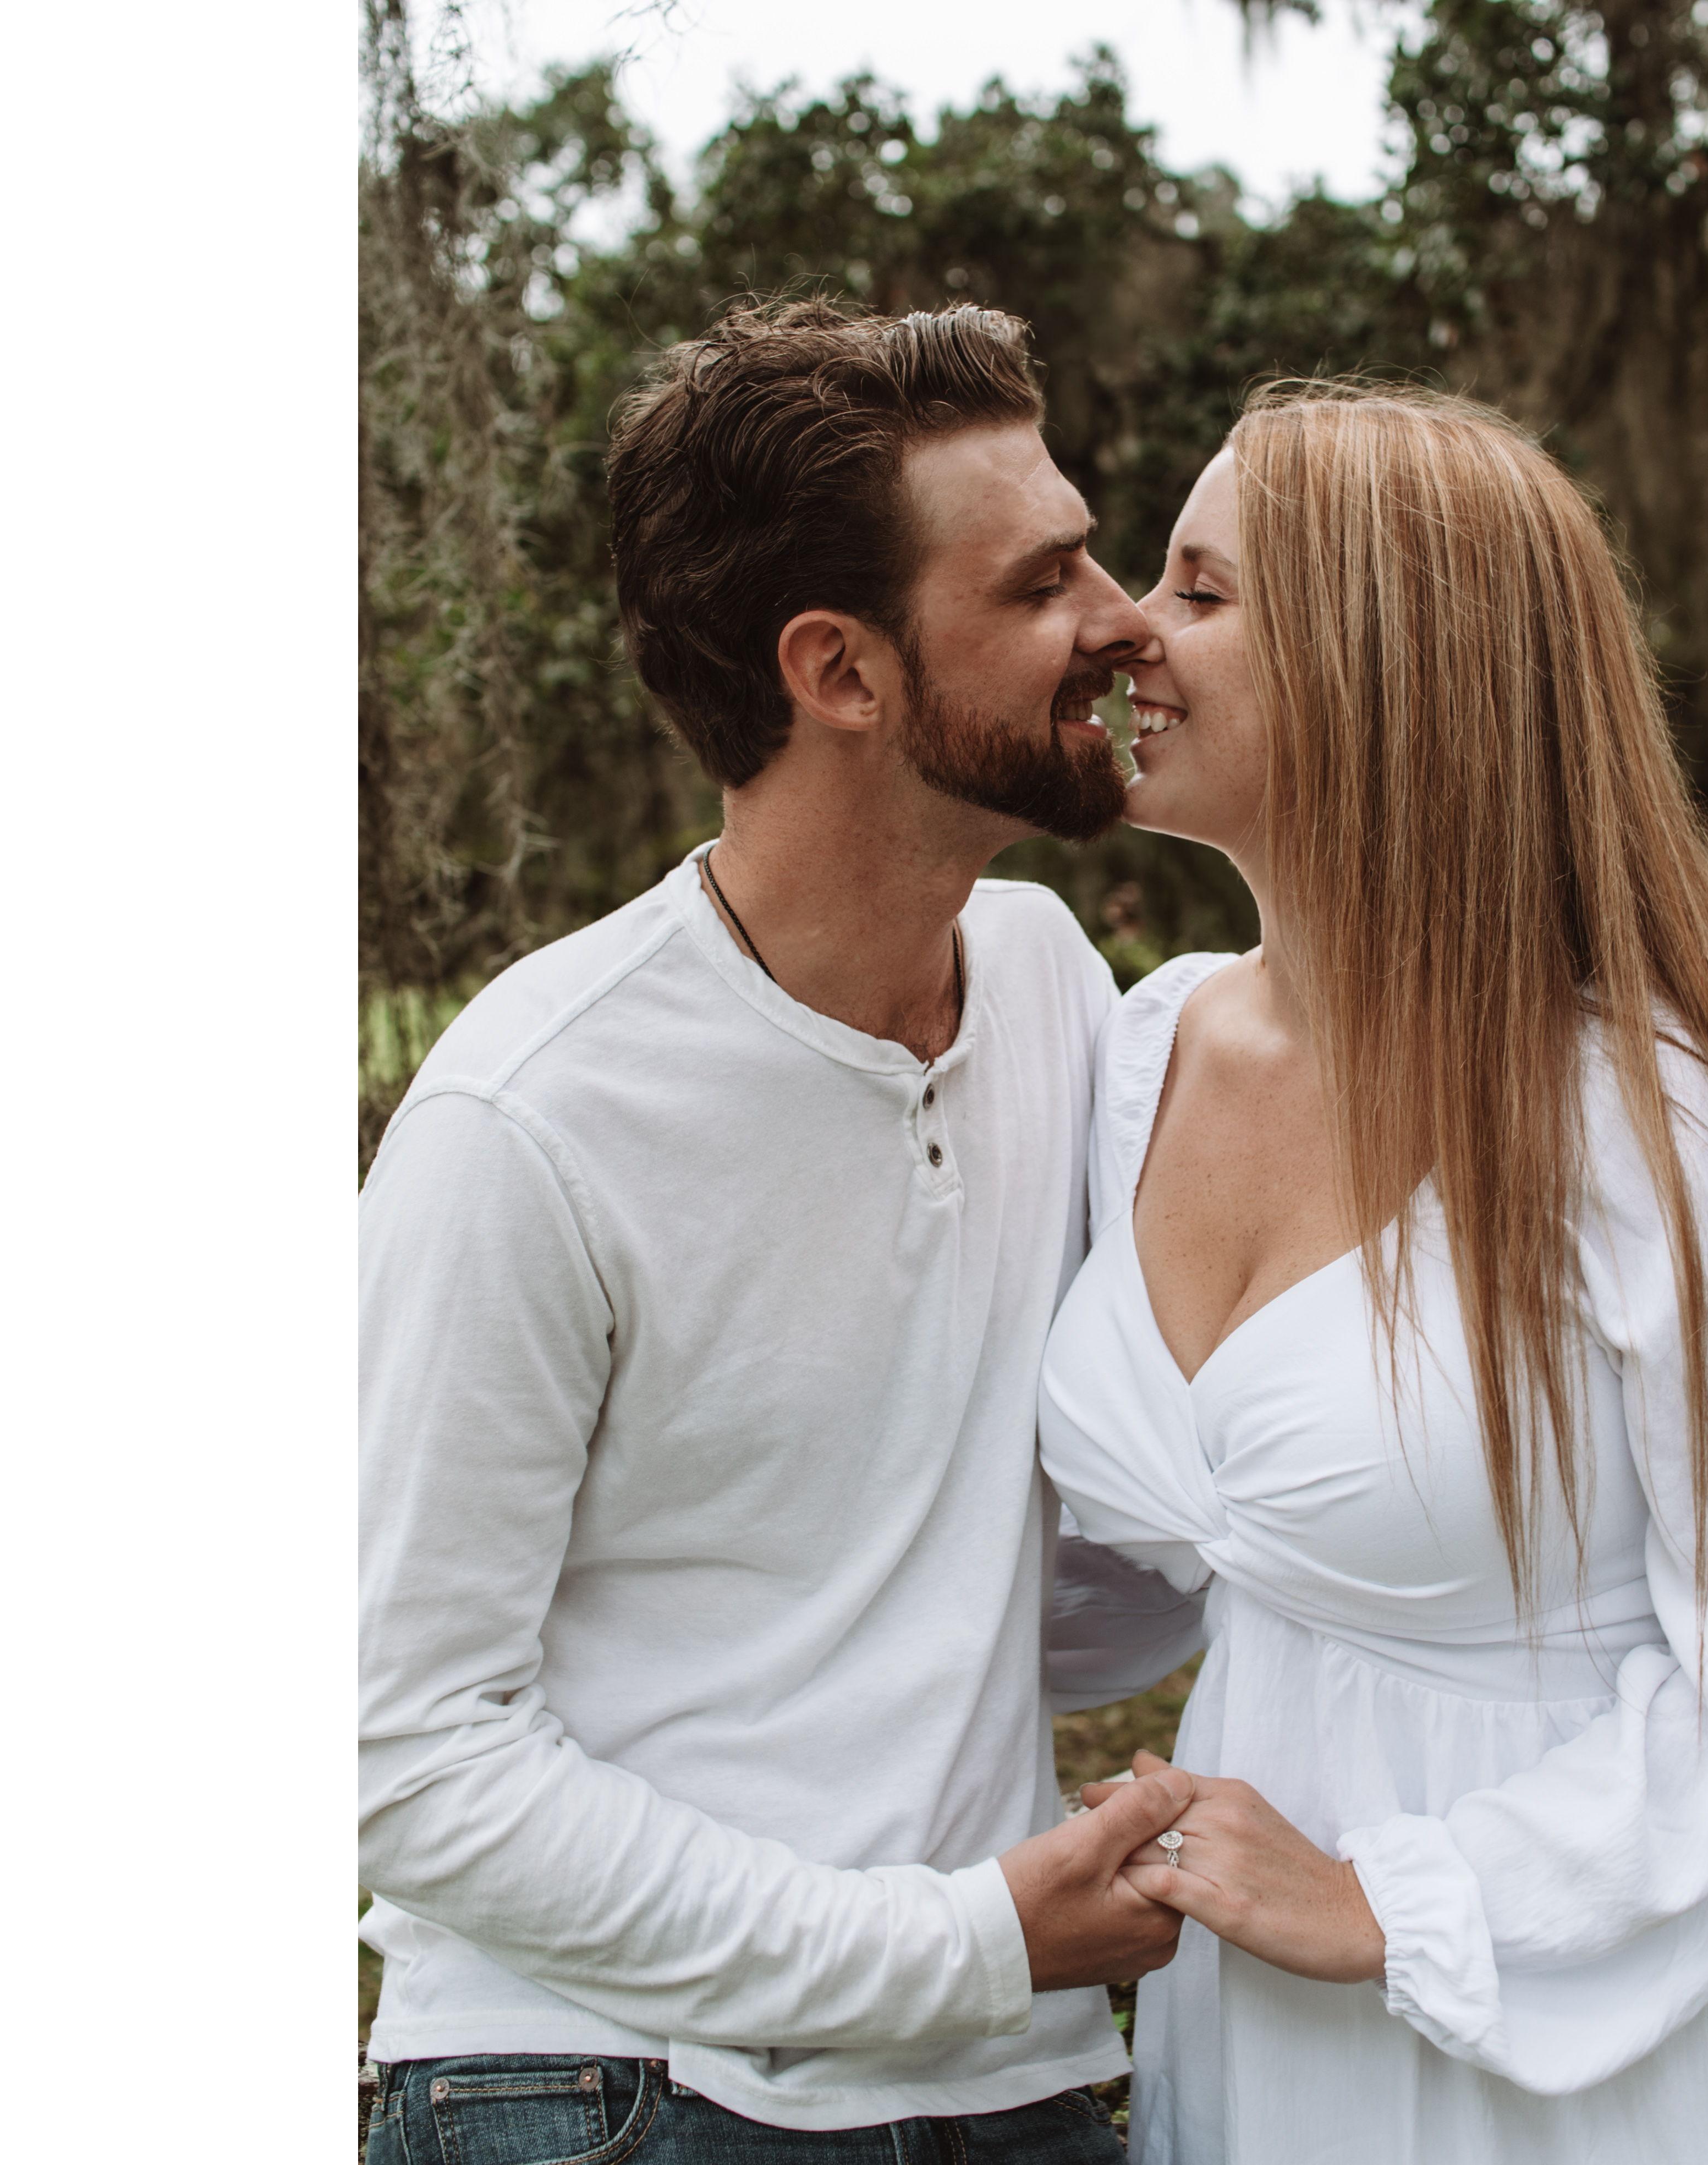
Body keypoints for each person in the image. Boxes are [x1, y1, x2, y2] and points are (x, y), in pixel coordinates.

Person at [359, 299, 1209, 2164]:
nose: (1124, 619)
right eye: (1043, 581)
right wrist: (956, 1944)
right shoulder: (532, 1120)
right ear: (841, 671)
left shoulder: (1053, 986)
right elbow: (405, 1755)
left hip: (1006, 2081)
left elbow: (996, 1576)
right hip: (609, 2089)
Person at [1037, 383, 1708, 2165]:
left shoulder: (1629, 1113)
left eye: (1203, 591)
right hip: (1237, 2002)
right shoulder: (1141, 1053)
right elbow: (1112, 1586)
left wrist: (1403, 1902)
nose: (1129, 629)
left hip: (1552, 2027)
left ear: (1391, 666)